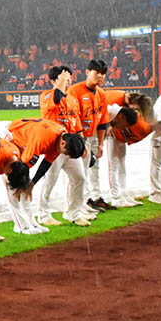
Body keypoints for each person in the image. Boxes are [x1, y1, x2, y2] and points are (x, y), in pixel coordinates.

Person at [5, 117, 87, 234]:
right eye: (67, 153)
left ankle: (31, 223)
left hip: (24, 143)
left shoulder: (60, 137)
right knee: (14, 188)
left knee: (26, 188)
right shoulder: (44, 138)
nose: (66, 155)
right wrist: (21, 183)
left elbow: (47, 162)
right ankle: (21, 226)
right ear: (63, 143)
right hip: (12, 139)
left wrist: (32, 183)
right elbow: (23, 165)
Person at [37, 65, 90, 227]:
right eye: (64, 79)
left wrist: (82, 144)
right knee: (50, 181)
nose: (68, 82)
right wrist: (60, 83)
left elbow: (76, 122)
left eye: (69, 79)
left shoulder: (72, 99)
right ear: (53, 81)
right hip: (54, 146)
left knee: (79, 178)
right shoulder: (47, 95)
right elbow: (55, 99)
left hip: (71, 146)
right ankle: (44, 215)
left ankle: (73, 213)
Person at [67, 59, 114, 213]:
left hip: (92, 135)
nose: (100, 76)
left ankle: (96, 197)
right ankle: (82, 200)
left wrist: (100, 144)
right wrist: (81, 142)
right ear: (87, 72)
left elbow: (103, 121)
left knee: (95, 166)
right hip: (76, 137)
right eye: (97, 73)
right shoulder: (74, 91)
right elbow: (73, 116)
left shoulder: (101, 93)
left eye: (103, 74)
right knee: (79, 171)